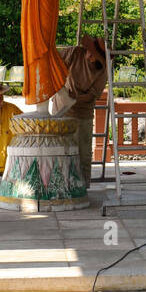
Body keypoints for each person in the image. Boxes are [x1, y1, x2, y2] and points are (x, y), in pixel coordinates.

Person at [57, 34, 108, 187]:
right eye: (89, 51)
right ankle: (63, 183)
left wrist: (72, 99)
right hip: (62, 109)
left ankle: (83, 185)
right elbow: (54, 59)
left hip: (83, 113)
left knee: (83, 152)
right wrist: (59, 82)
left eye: (94, 54)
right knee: (63, 149)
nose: (89, 55)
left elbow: (91, 96)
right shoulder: (75, 52)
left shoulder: (103, 71)